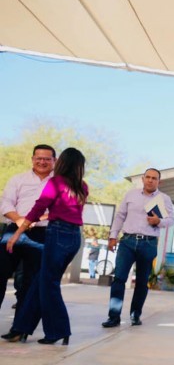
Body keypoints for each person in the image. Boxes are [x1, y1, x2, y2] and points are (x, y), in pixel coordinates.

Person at [3, 147, 88, 345]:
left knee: (48, 284)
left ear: (62, 162)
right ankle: (22, 328)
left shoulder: (56, 182)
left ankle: (59, 330)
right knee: (40, 282)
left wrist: (16, 233)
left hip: (57, 234)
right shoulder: (82, 186)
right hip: (74, 236)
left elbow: (39, 207)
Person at [101, 168, 174, 328]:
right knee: (119, 278)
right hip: (127, 241)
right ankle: (113, 316)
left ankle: (135, 315)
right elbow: (120, 216)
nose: (150, 180)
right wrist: (113, 236)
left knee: (141, 282)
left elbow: (171, 220)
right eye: (147, 177)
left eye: (154, 178)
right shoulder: (131, 194)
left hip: (148, 243)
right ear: (142, 179)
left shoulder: (164, 198)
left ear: (158, 182)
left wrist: (159, 221)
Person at [0, 144, 55, 335]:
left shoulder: (59, 183)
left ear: (54, 161)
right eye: (39, 158)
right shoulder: (18, 179)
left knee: (29, 283)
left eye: (47, 158)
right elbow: (5, 202)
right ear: (32, 159)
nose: (42, 161)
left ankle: (19, 329)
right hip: (14, 230)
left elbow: (59, 210)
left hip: (42, 234)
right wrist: (19, 219)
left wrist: (34, 219)